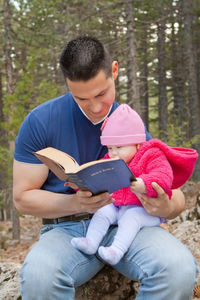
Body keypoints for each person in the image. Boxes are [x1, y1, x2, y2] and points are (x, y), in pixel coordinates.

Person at [13, 36, 198, 300]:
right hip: (66, 231)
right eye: (82, 98)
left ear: (114, 70)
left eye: (101, 93)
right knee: (40, 277)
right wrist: (79, 204)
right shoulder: (41, 121)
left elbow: (174, 194)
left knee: (177, 268)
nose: (96, 107)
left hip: (127, 225)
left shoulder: (128, 123)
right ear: (67, 84)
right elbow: (23, 198)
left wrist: (166, 206)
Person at [71, 104, 198, 265]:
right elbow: (100, 175)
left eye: (119, 147)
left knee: (131, 218)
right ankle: (91, 242)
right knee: (103, 212)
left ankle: (116, 250)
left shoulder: (151, 155)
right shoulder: (112, 159)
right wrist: (83, 182)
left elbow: (164, 177)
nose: (113, 153)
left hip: (144, 211)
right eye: (110, 148)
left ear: (137, 144)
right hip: (118, 206)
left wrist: (144, 184)